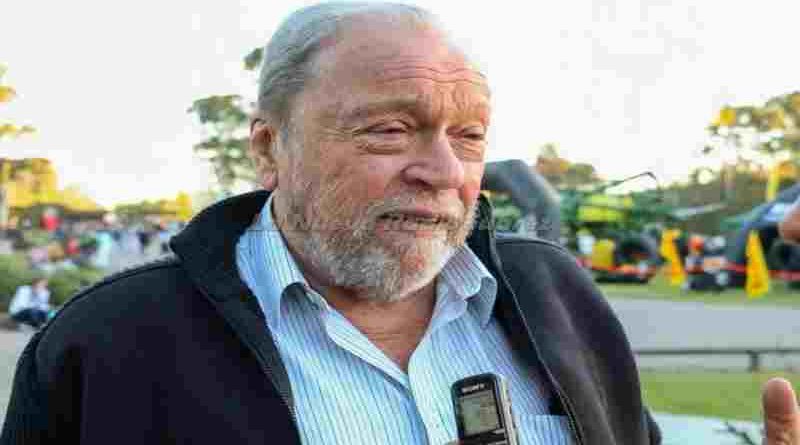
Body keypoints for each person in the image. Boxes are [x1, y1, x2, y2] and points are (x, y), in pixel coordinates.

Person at [2, 3, 797, 445]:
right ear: (270, 147)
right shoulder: (106, 347)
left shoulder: (557, 294)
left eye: (470, 136)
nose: (443, 171)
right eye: (389, 130)